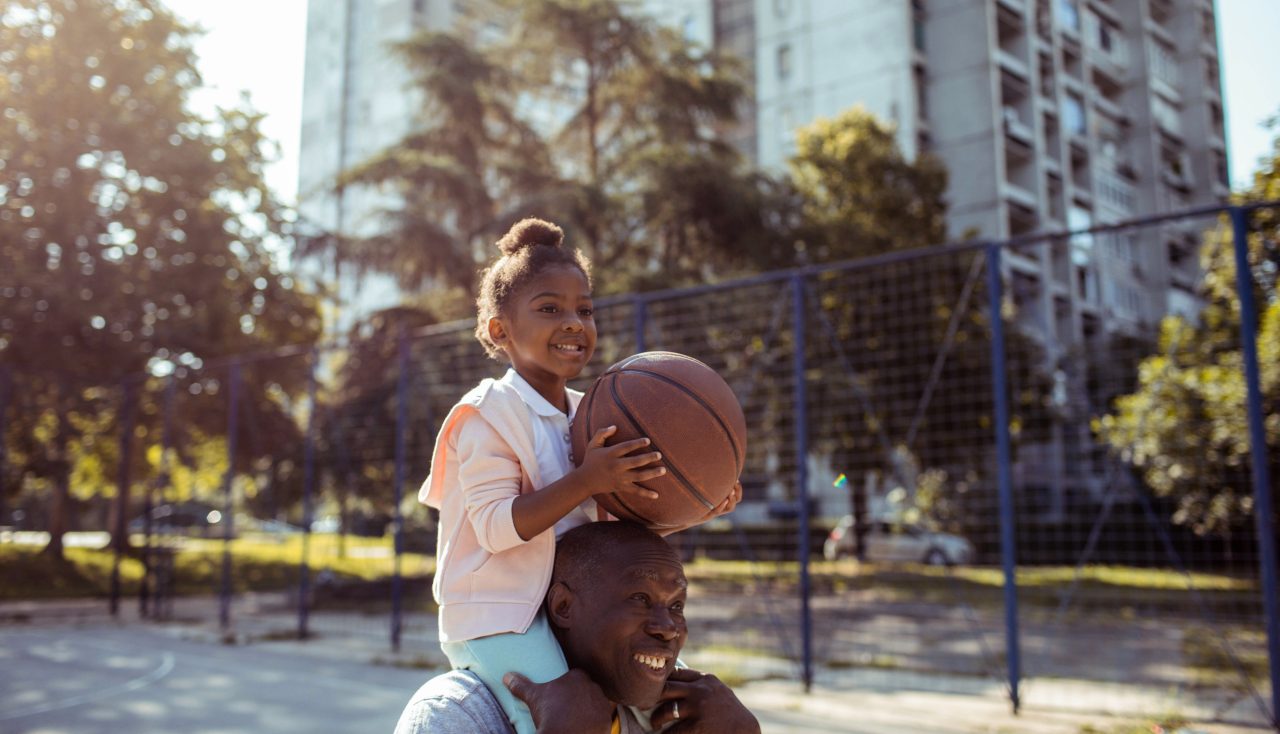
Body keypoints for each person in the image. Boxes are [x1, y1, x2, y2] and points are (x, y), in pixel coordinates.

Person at [418, 218, 741, 734]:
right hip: (498, 620)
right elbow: (499, 527)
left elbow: (611, 529)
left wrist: (700, 505)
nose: (574, 322)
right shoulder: (487, 414)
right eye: (550, 308)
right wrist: (588, 479)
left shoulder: (588, 412)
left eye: (584, 309)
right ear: (499, 329)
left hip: (574, 612)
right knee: (559, 716)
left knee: (656, 703)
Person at [393, 521, 761, 734]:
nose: (668, 628)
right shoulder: (455, 714)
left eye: (676, 606)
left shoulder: (675, 723)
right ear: (564, 606)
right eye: (639, 599)